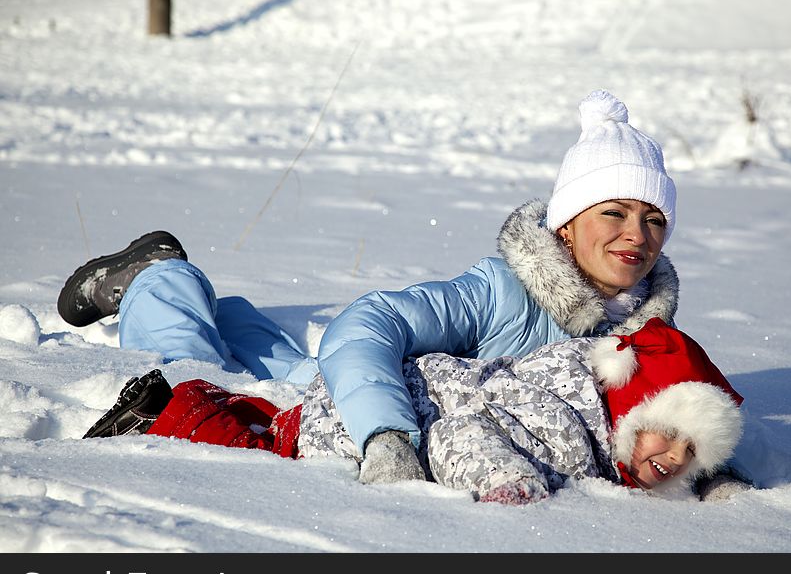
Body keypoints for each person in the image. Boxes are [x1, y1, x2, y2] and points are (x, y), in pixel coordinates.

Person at [58, 89, 686, 485]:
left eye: (653, 218)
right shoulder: (503, 291)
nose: (637, 233)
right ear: (567, 225)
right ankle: (157, 280)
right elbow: (366, 325)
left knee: (292, 367)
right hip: (351, 410)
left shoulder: (649, 338)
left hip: (334, 388)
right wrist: (385, 434)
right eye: (613, 211)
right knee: (195, 372)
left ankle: (223, 314)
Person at [83, 318, 744, 503]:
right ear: (632, 406)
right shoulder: (574, 431)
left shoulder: (590, 407)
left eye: (693, 456)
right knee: (264, 448)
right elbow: (465, 429)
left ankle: (200, 386)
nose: (673, 458)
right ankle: (159, 414)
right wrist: (502, 478)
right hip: (385, 413)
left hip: (394, 388)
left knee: (274, 410)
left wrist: (720, 475)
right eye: (672, 435)